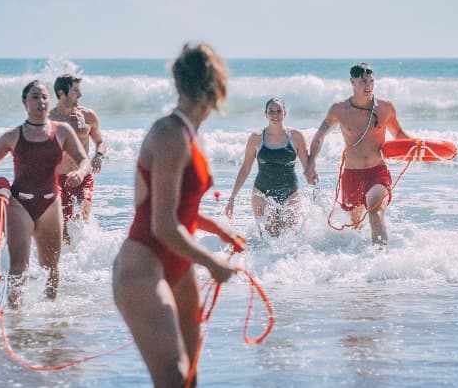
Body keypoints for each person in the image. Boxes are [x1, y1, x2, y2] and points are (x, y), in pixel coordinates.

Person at [112, 44, 243, 387]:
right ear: (214, 87)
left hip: (178, 266)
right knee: (173, 377)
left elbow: (182, 210)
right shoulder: (170, 134)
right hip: (142, 267)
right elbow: (164, 224)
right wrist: (212, 262)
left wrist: (222, 232)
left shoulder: (189, 134)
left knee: (190, 377)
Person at [0, 80, 90, 307]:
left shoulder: (62, 131)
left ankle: (50, 316)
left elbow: (84, 160)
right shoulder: (13, 136)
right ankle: (15, 315)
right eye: (35, 97)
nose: (41, 101)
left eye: (44, 97)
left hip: (51, 204)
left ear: (50, 101)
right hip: (20, 204)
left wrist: (80, 173)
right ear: (25, 102)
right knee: (19, 266)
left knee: (51, 268)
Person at [304, 62, 411, 245]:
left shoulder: (385, 108)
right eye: (363, 81)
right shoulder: (339, 110)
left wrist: (422, 149)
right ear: (352, 81)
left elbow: (400, 135)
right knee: (355, 225)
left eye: (371, 81)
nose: (368, 86)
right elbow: (320, 135)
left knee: (375, 215)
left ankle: (381, 262)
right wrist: (311, 163)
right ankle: (359, 264)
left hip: (377, 173)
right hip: (351, 175)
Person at [225, 97, 309, 237]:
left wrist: (318, 199)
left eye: (278, 111)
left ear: (285, 113)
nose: (275, 115)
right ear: (265, 114)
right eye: (271, 111)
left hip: (291, 193)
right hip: (262, 194)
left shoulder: (296, 136)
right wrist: (232, 199)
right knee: (269, 240)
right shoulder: (256, 138)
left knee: (291, 239)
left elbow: (308, 168)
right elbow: (245, 169)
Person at [49, 74, 106, 240]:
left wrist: (99, 155)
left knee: (81, 220)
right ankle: (67, 262)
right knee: (62, 229)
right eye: (75, 92)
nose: (80, 96)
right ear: (61, 93)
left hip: (82, 177)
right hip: (56, 180)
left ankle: (83, 258)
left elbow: (100, 141)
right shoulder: (48, 119)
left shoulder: (88, 116)